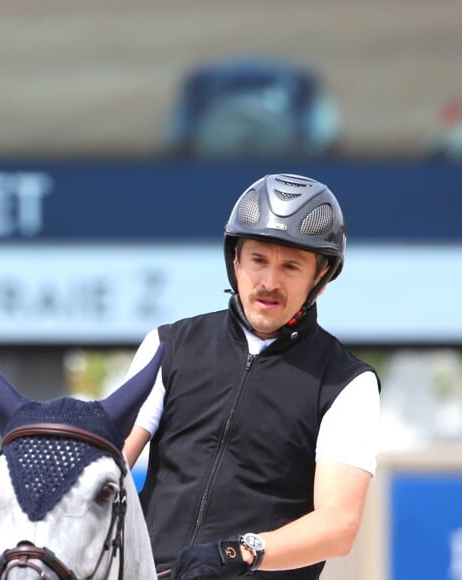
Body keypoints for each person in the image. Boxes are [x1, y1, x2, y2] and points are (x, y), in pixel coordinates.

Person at [123, 173, 381, 579]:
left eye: (291, 266)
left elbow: (337, 526)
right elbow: (110, 462)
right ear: (235, 261)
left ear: (321, 276)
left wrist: (238, 553)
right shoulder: (167, 345)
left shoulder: (348, 383)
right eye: (258, 260)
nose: (269, 282)